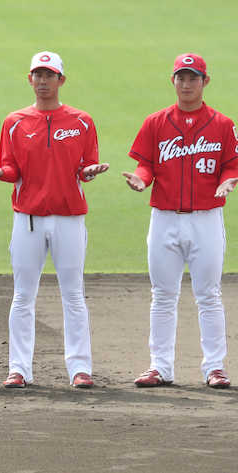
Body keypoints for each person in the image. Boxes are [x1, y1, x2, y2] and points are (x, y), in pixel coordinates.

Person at [0, 51, 109, 389]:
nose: (43, 81)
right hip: (28, 220)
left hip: (69, 219)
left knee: (73, 294)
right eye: (38, 74)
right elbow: (11, 169)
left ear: (61, 80)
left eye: (49, 75)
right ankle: (18, 369)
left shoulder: (82, 121)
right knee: (23, 295)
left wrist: (90, 172)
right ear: (30, 79)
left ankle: (80, 369)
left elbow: (86, 167)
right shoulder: (14, 122)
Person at [123, 53, 237, 389]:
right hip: (164, 218)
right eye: (181, 78)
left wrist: (229, 180)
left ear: (205, 81)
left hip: (206, 219)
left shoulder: (222, 124)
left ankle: (215, 368)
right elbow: (146, 164)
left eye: (193, 78)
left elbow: (232, 164)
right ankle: (160, 367)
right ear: (173, 81)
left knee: (209, 294)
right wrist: (142, 179)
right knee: (162, 294)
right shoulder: (156, 122)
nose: (186, 84)